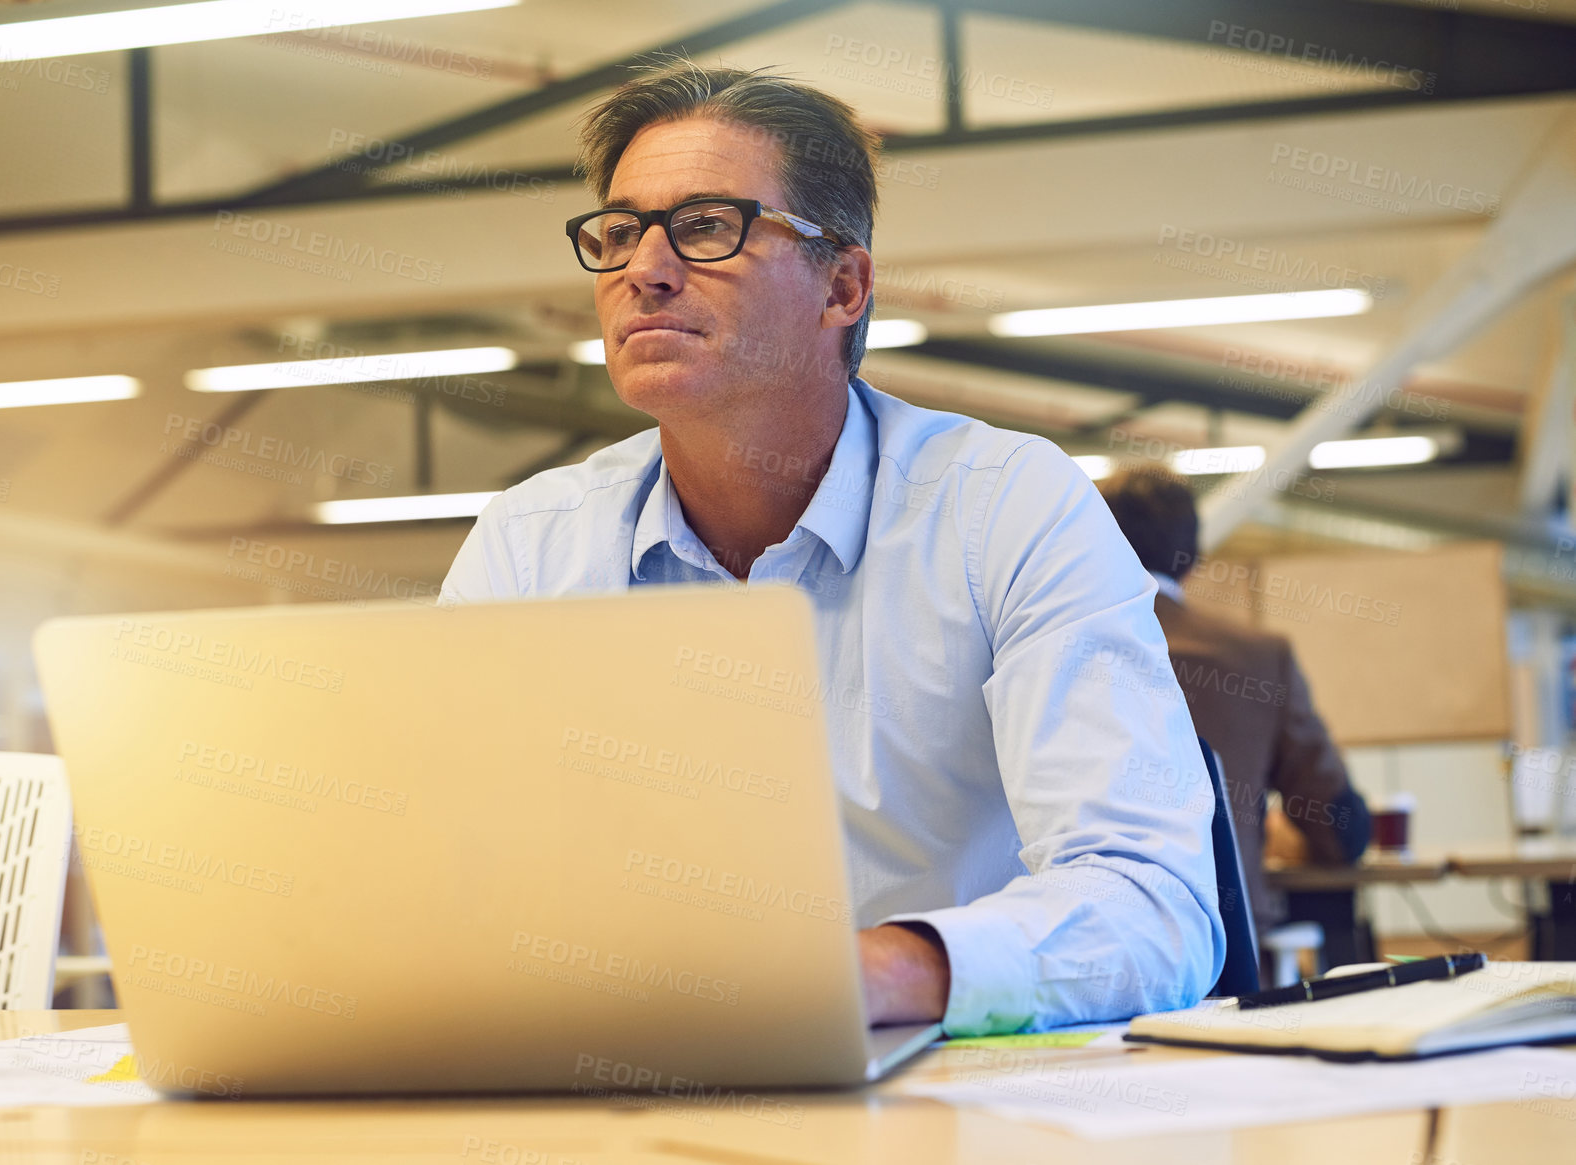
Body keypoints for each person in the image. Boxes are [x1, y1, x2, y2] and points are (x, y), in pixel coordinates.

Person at [440, 60, 1222, 1035]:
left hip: (955, 1093)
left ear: (841, 285)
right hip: (627, 1083)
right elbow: (452, 878)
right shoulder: (528, 545)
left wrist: (870, 977)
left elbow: (1156, 911)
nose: (644, 268)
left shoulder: (1005, 507)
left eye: (705, 226)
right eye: (618, 230)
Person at [1097, 466, 1371, 944]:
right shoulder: (1260, 658)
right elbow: (1338, 827)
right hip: (1228, 947)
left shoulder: (1053, 650)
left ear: (1095, 542)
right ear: (1194, 556)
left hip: (1091, 941)